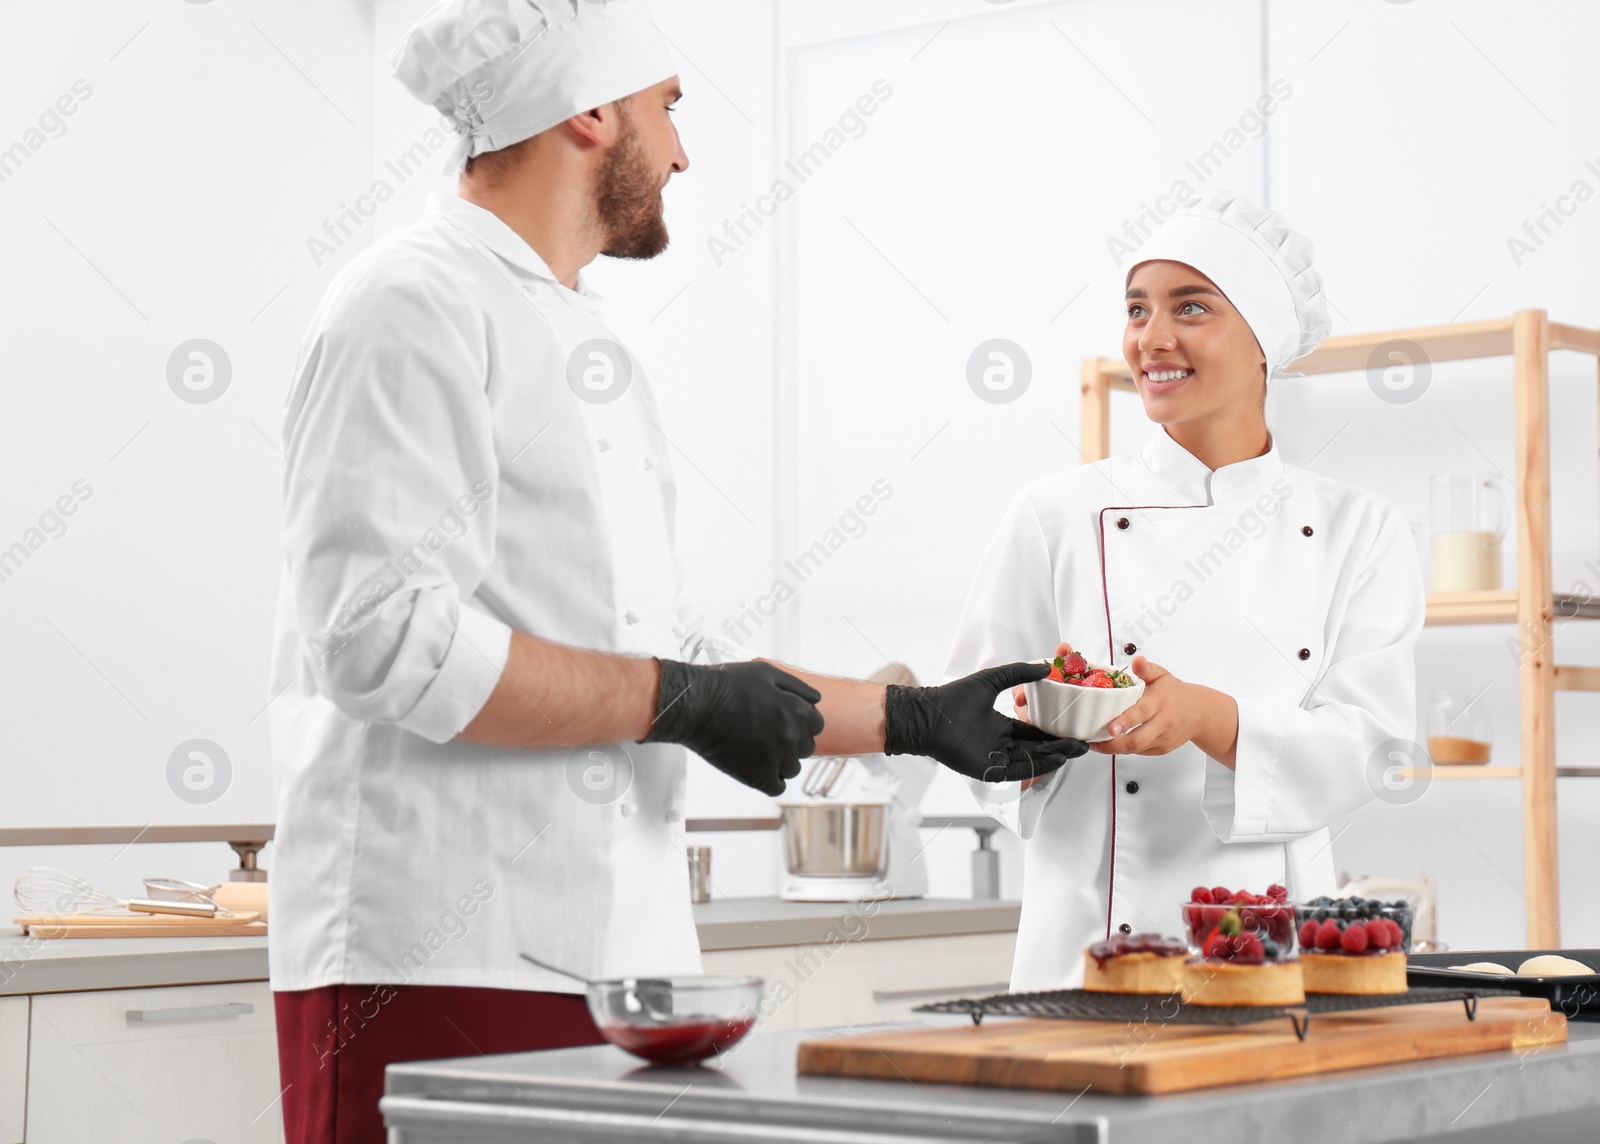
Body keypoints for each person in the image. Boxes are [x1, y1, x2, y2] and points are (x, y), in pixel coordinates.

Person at [265, 2, 1083, 1140]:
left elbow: (676, 651)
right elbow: (380, 638)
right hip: (435, 951)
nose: (686, 153)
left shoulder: (580, 340)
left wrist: (912, 718)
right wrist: (678, 701)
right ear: (590, 112)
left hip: (611, 964)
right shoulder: (408, 303)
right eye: (670, 110)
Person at [945, 190, 1425, 992]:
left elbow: (1374, 750)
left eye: (1191, 307)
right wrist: (1024, 745)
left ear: (1265, 343)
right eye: (1136, 310)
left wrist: (1211, 719)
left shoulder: (1358, 528)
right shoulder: (1054, 514)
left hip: (1270, 953)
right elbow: (966, 724)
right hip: (1086, 947)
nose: (1151, 338)